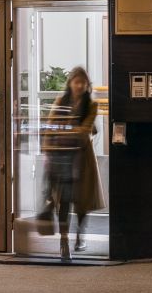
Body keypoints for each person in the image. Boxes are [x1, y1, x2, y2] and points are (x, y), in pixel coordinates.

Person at [38, 66, 106, 262]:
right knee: (64, 200)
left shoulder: (91, 105)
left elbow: (84, 131)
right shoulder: (61, 101)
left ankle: (80, 236)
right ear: (70, 83)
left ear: (87, 85)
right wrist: (47, 151)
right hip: (62, 158)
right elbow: (51, 127)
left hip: (82, 159)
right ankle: (64, 240)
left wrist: (65, 129)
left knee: (82, 202)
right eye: (77, 82)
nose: (79, 86)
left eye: (83, 83)